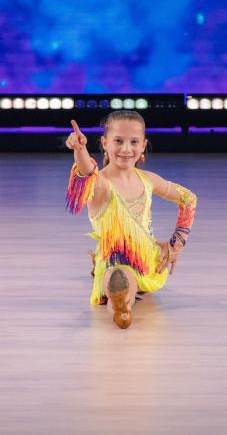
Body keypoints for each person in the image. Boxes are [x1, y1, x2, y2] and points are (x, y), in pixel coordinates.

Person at [65, 110, 197, 329]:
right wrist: (80, 150)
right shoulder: (101, 184)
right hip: (115, 258)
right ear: (104, 143)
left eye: (134, 142)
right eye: (118, 141)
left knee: (125, 273)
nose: (126, 149)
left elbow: (188, 199)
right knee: (118, 273)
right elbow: (87, 171)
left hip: (149, 261)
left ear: (143, 145)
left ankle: (121, 291)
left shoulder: (148, 180)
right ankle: (120, 304)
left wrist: (177, 243)